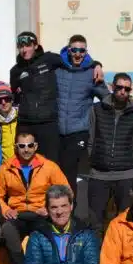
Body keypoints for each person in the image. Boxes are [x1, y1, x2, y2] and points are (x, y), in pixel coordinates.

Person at [10, 31, 103, 163]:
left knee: (50, 164)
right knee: (23, 162)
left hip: (48, 123)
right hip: (25, 123)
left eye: (28, 45)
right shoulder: (15, 71)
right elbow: (14, 97)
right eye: (21, 46)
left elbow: (74, 60)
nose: (24, 50)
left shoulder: (49, 59)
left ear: (35, 46)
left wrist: (96, 64)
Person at [0, 131, 69, 264]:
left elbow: (65, 191)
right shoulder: (5, 168)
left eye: (30, 145)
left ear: (35, 146)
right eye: (22, 146)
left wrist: (50, 208)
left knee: (44, 235)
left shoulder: (49, 166)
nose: (26, 149)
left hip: (41, 213)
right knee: (8, 231)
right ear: (16, 147)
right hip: (17, 214)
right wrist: (6, 210)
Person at [87, 73, 133, 233]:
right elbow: (90, 140)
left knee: (126, 223)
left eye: (127, 89)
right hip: (99, 175)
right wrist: (96, 159)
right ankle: (97, 250)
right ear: (112, 87)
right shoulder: (96, 109)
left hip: (126, 176)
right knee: (95, 222)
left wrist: (129, 163)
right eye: (119, 87)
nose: (122, 91)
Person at [55, 34, 108, 189]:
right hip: (56, 130)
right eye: (74, 50)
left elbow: (107, 97)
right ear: (68, 50)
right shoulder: (57, 68)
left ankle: (71, 203)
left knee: (69, 170)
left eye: (82, 51)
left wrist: (132, 101)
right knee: (55, 171)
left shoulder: (92, 72)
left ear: (86, 52)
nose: (78, 54)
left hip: (78, 131)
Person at [0, 83, 19, 164]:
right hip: (5, 166)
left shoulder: (22, 117)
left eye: (7, 99)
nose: (3, 102)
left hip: (24, 164)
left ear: (12, 99)